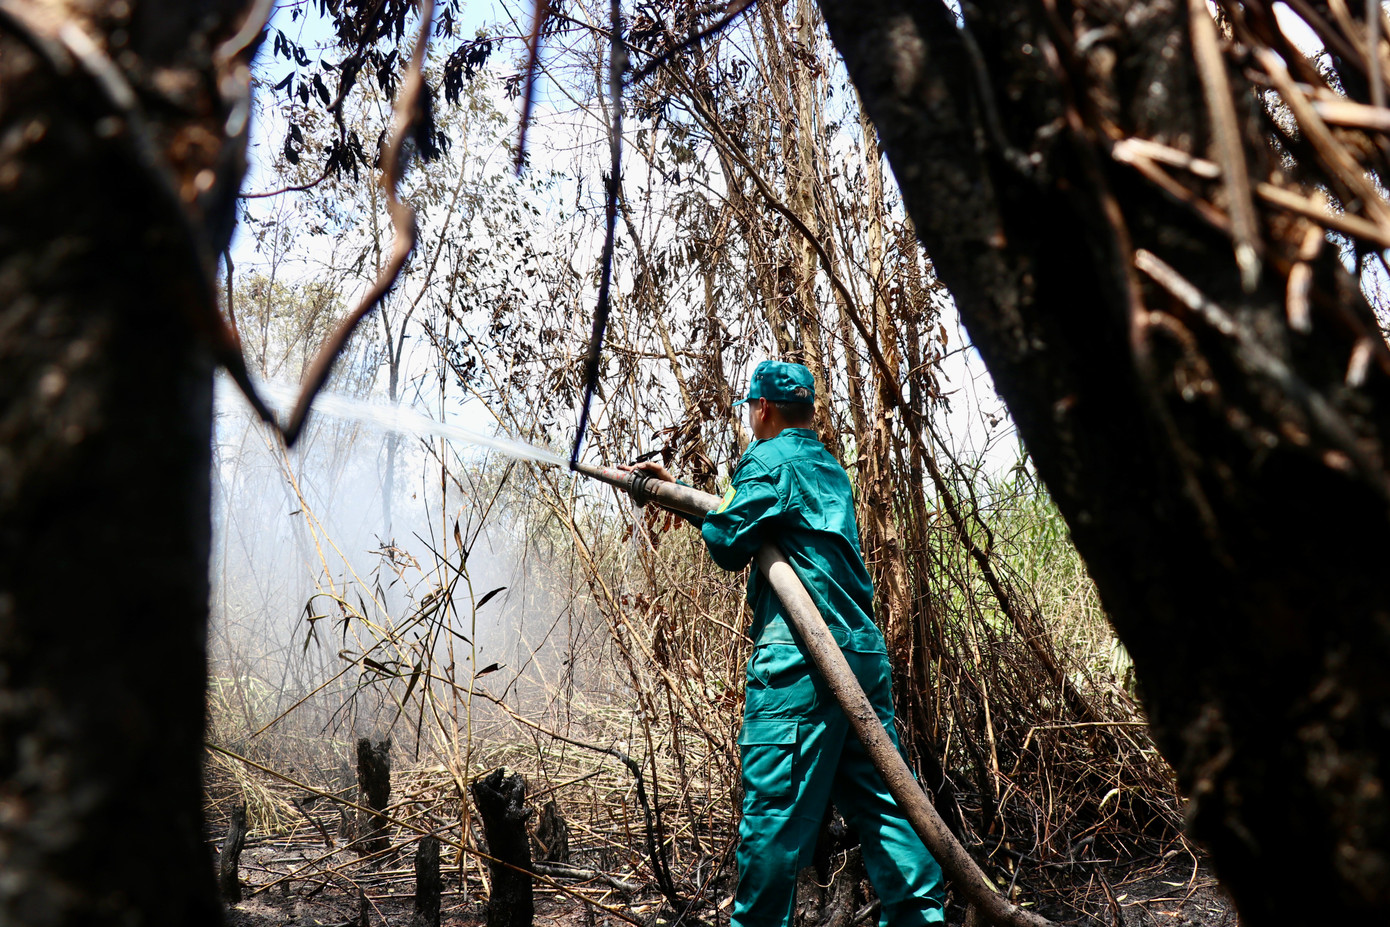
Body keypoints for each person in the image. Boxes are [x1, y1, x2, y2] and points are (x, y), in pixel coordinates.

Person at [630, 360, 944, 927]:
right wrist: (674, 492)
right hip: (860, 655)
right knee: (887, 808)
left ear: (763, 408)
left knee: (772, 823)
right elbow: (752, 522)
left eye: (750, 408)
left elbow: (727, 540)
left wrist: (674, 494)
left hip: (803, 661)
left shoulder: (767, 459)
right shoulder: (828, 467)